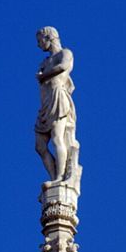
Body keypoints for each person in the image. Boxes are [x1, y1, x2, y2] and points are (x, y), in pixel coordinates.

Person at [34, 27, 80, 185]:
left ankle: (60, 178)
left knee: (57, 138)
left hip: (58, 97)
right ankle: (54, 177)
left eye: (40, 40)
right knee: (39, 145)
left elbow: (62, 66)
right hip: (46, 103)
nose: (39, 45)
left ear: (49, 38)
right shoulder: (45, 62)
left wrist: (43, 75)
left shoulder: (65, 53)